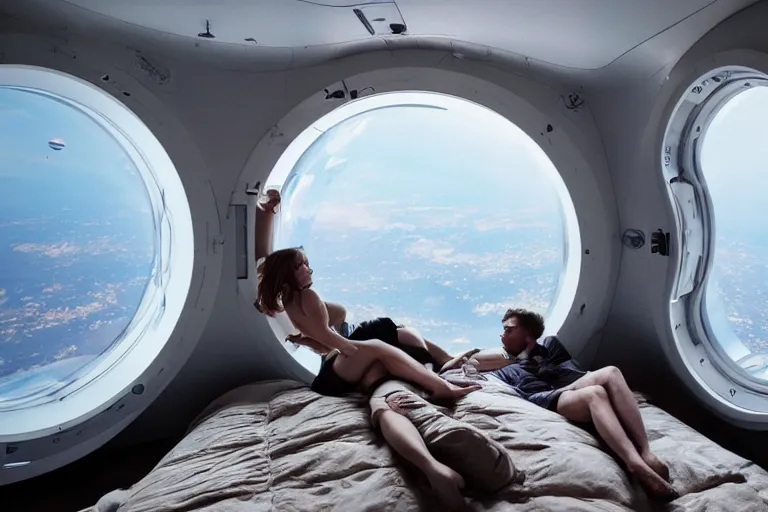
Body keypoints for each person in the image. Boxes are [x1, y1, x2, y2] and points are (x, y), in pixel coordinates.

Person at [253, 188, 480, 509]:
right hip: (332, 372)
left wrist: (267, 213)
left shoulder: (291, 297)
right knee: (378, 341)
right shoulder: (309, 297)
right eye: (302, 265)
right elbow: (330, 340)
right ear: (291, 273)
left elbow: (315, 330)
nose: (309, 268)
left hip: (330, 370)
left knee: (387, 337)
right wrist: (353, 348)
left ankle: (435, 371)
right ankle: (441, 385)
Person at [442, 308, 678, 502]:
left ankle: (646, 453)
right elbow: (454, 368)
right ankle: (635, 462)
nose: (502, 336)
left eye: (508, 330)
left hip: (574, 384)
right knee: (605, 378)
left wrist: (529, 355)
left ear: (528, 333)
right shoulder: (504, 370)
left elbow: (571, 372)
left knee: (598, 387)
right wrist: (470, 352)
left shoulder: (550, 346)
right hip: (552, 399)